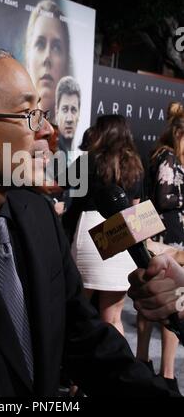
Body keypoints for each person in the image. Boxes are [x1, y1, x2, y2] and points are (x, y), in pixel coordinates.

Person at [0, 45, 176, 397]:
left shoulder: (36, 214)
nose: (48, 131)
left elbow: (83, 339)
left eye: (43, 113)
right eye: (28, 114)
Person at [64, 115, 144, 336]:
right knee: (113, 317)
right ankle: (114, 369)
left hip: (92, 229)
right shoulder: (134, 164)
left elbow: (58, 184)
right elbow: (135, 207)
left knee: (77, 310)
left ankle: (73, 368)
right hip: (124, 230)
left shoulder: (89, 159)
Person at [135, 116, 184, 393]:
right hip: (169, 231)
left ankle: (144, 361)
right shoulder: (168, 158)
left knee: (152, 296)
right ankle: (167, 374)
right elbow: (166, 197)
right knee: (170, 300)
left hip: (156, 227)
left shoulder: (156, 155)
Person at [25, 0, 70, 123]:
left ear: (66, 63)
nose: (47, 58)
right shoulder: (11, 134)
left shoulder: (70, 136)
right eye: (40, 44)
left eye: (56, 47)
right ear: (28, 57)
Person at [55, 76, 81, 164]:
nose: (69, 119)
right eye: (65, 110)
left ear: (79, 113)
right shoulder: (49, 155)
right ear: (56, 112)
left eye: (73, 110)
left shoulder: (81, 151)